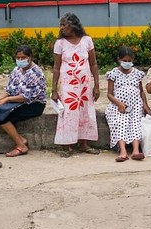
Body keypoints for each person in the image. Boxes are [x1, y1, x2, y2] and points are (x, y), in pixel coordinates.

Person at [0, 45, 46, 157]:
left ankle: (21, 146)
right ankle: (21, 139)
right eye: (18, 57)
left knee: (1, 116)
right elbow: (10, 90)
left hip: (34, 104)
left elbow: (27, 96)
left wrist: (6, 100)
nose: (20, 60)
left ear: (30, 57)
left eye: (23, 57)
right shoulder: (16, 70)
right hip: (17, 102)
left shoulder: (36, 73)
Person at [51, 13, 99, 154]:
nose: (61, 28)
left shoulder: (87, 41)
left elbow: (93, 64)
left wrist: (96, 85)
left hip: (84, 86)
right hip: (68, 86)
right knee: (68, 113)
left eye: (64, 24)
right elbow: (56, 67)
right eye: (61, 25)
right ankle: (67, 145)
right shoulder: (60, 43)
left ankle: (84, 144)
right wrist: (54, 89)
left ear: (73, 25)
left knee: (86, 112)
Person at [106, 47, 151, 162]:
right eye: (124, 60)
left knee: (136, 124)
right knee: (120, 123)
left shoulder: (137, 74)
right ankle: (123, 151)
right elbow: (109, 94)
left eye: (129, 61)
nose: (127, 63)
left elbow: (141, 91)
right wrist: (119, 103)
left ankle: (136, 150)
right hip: (118, 106)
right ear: (119, 59)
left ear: (133, 60)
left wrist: (145, 105)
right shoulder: (113, 73)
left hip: (136, 105)